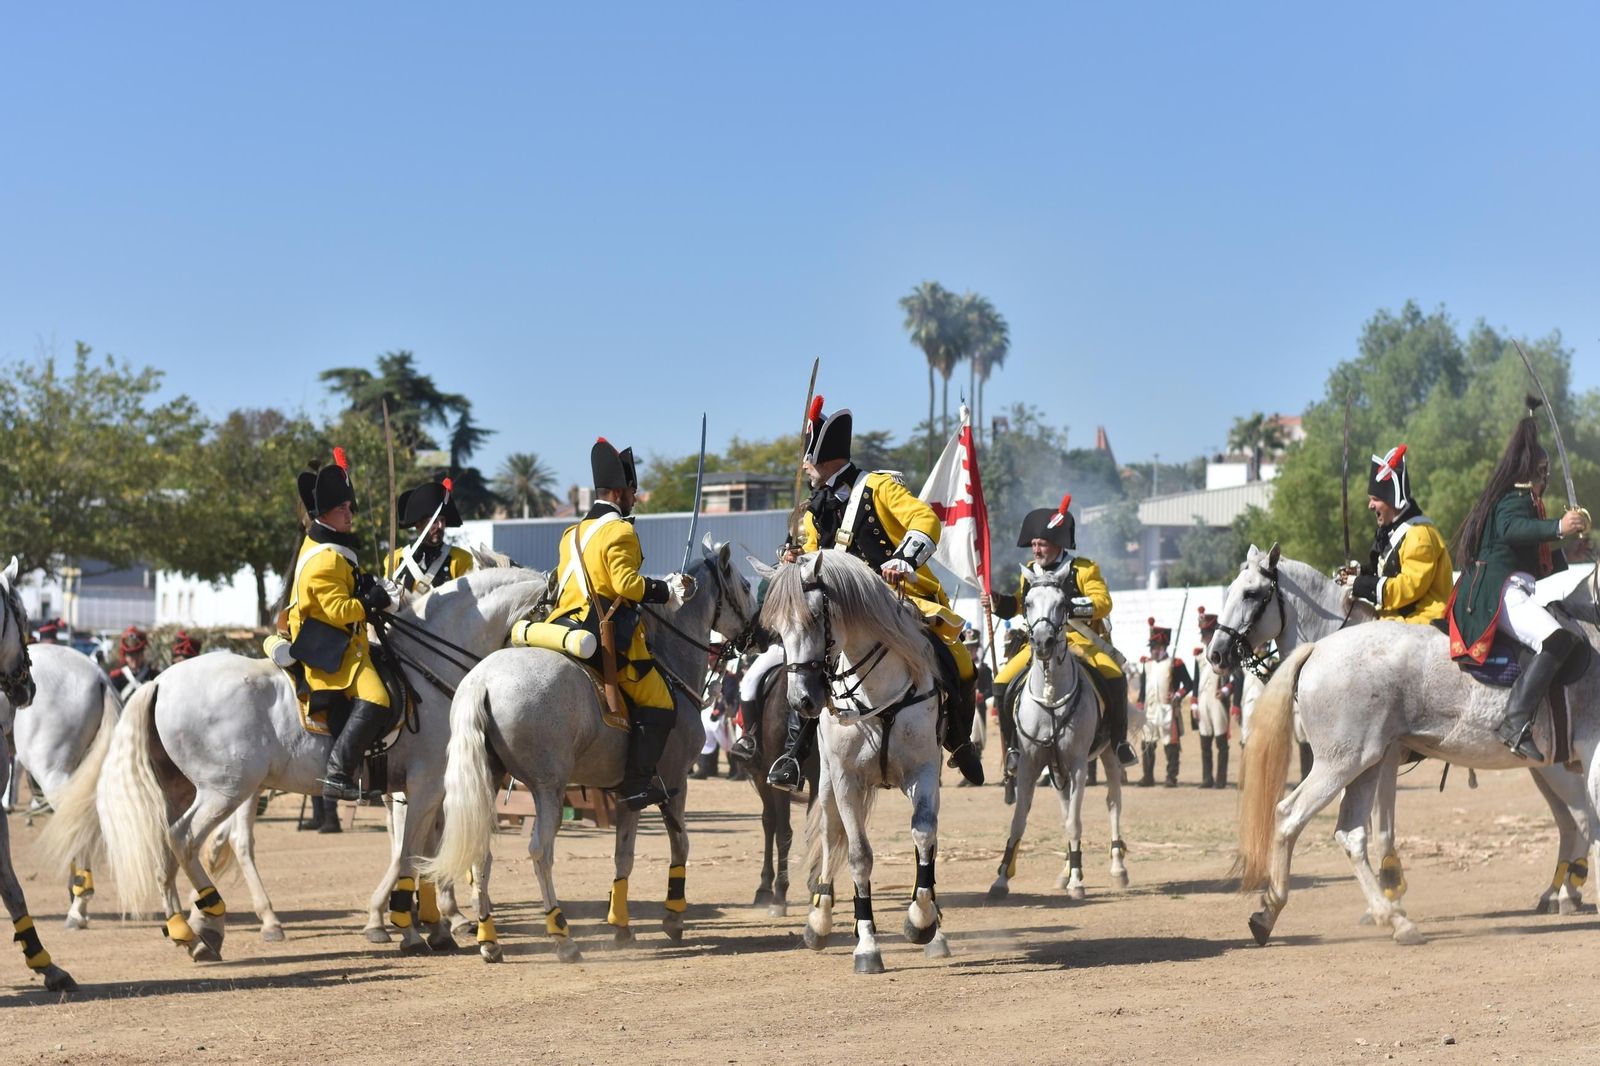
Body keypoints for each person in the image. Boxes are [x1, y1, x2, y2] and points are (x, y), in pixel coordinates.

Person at [769, 397, 984, 790]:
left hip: (893, 600)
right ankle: (793, 753)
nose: (803, 465)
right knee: (805, 660)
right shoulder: (811, 509)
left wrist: (904, 558)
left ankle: (958, 741)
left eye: (806, 456)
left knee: (959, 660)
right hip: (837, 612)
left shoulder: (879, 488)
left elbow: (924, 519)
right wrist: (793, 557)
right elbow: (815, 558)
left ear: (823, 456)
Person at [549, 438, 695, 810]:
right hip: (603, 635)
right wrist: (667, 589)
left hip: (564, 624)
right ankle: (635, 784)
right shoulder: (621, 531)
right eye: (631, 491)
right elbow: (625, 585)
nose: (634, 497)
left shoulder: (573, 533)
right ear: (617, 492)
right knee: (661, 699)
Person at [1448, 398, 1589, 762]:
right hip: (1499, 594)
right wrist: (1558, 527)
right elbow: (1513, 530)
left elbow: (1525, 560)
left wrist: (1566, 556)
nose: (1546, 481)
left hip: (1511, 586)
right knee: (1560, 639)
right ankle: (1514, 723)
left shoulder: (1515, 499)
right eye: (1545, 474)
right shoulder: (1515, 499)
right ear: (1537, 472)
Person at [986, 494, 1140, 796]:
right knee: (1001, 683)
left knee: (1115, 677)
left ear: (1057, 543)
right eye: (1033, 544)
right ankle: (1013, 749)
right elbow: (1022, 605)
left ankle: (1119, 741)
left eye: (1041, 543)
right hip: (1038, 645)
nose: (1036, 548)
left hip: (1080, 640)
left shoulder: (1084, 569)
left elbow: (1102, 603)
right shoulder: (1030, 572)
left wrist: (1066, 606)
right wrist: (998, 602)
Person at [287, 450, 400, 802]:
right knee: (378, 698)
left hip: (348, 642)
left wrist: (369, 584)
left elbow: (349, 581)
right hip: (333, 650)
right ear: (324, 514)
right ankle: (337, 773)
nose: (350, 514)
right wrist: (372, 601)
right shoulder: (323, 559)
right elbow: (338, 610)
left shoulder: (332, 546)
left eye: (350, 507)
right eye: (343, 509)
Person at [1337, 445, 1453, 624]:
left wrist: (1359, 585)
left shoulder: (1419, 535)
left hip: (1420, 622)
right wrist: (1359, 572)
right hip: (1394, 620)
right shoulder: (1396, 528)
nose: (1370, 506)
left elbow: (1407, 588)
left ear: (1393, 501)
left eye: (1375, 499)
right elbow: (1389, 569)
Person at [385, 477, 475, 593]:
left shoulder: (461, 560)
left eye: (443, 520)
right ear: (418, 525)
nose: (440, 526)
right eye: (434, 521)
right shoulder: (395, 559)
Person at [1137, 620, 1191, 787]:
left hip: (1168, 709)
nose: (1152, 650)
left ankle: (1171, 777)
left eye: (1155, 647)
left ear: (1163, 647)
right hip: (1151, 709)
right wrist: (1140, 705)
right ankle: (1148, 777)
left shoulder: (1175, 664)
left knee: (1170, 744)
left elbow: (1189, 684)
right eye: (1151, 647)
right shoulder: (1147, 665)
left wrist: (1176, 695)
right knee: (1147, 743)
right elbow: (1143, 689)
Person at [1192, 611, 1230, 789]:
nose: (1203, 637)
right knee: (1205, 742)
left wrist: (1225, 690)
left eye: (1205, 633)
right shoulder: (1200, 656)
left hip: (1217, 701)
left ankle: (1220, 779)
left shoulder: (1223, 654)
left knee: (1221, 743)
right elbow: (1195, 681)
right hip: (1203, 700)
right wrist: (1194, 703)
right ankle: (1207, 778)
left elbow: (1234, 679)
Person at [957, 628, 993, 787]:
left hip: (980, 709)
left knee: (977, 742)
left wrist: (982, 696)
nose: (969, 650)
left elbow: (990, 689)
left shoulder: (984, 668)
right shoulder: (960, 668)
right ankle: (966, 773)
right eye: (967, 647)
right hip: (965, 709)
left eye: (972, 647)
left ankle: (974, 773)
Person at [108, 626, 159, 700]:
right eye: (131, 655)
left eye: (137, 653)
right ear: (125, 656)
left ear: (142, 654)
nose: (134, 659)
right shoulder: (117, 678)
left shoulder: (153, 675)